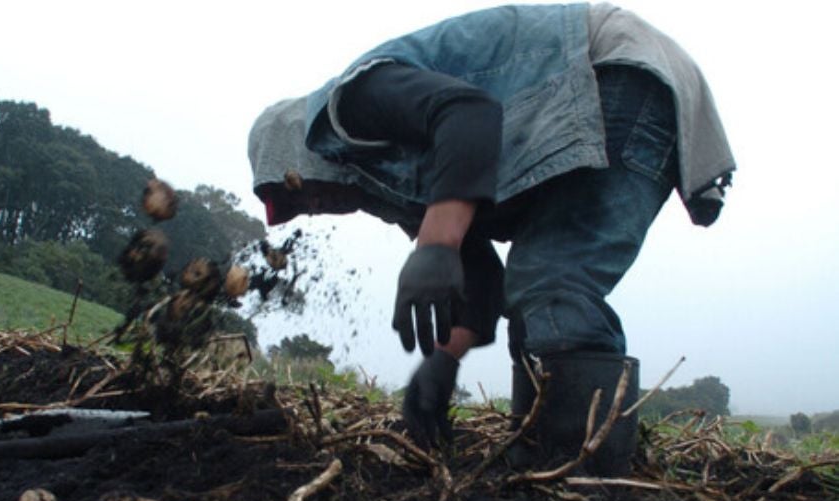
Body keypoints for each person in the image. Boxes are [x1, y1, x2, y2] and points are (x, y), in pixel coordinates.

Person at [247, 3, 734, 475]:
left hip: (610, 70)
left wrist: (435, 248)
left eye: (294, 193)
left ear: (299, 151)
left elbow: (469, 113)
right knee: (537, 288)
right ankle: (548, 464)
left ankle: (586, 482)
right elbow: (481, 281)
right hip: (616, 85)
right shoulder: (399, 188)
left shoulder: (352, 102)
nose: (309, 209)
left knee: (550, 281)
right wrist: (442, 362)